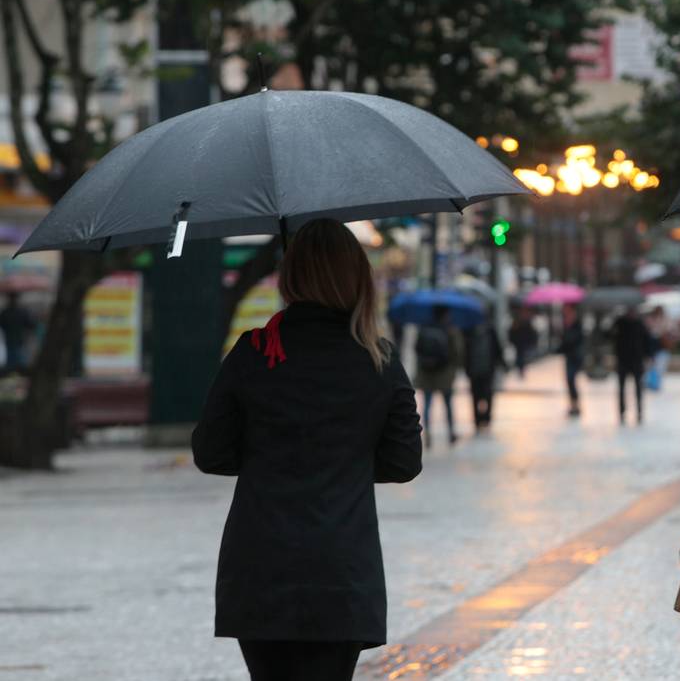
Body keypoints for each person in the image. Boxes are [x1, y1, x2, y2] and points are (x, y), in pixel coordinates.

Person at [191, 218, 422, 681]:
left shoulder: (254, 352)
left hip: (260, 568)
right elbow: (403, 461)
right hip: (342, 568)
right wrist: (347, 461)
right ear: (357, 278)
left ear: (289, 277)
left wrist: (268, 456)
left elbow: (211, 453)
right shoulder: (377, 359)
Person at [415, 307, 465, 446]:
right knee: (448, 405)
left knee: (427, 405)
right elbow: (458, 352)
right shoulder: (450, 330)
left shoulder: (424, 328)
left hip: (427, 374)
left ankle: (427, 435)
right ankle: (451, 433)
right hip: (445, 374)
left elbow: (417, 349)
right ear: (446, 314)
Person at [612, 306, 653, 423]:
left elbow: (647, 341)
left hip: (636, 360)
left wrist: (648, 356)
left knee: (638, 388)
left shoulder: (640, 324)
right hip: (623, 360)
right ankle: (622, 411)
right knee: (622, 388)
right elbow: (610, 336)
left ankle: (639, 412)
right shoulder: (620, 323)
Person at [465, 316, 505, 430]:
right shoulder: (490, 331)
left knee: (476, 396)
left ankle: (478, 419)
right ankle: (486, 418)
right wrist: (502, 363)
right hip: (488, 369)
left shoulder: (469, 331)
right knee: (488, 395)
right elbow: (497, 349)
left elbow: (466, 351)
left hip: (474, 370)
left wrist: (466, 368)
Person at [559, 304, 585, 417]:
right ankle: (573, 405)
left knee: (571, 379)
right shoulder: (566, 324)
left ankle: (575, 405)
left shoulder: (577, 324)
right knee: (570, 381)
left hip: (576, 357)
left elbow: (575, 340)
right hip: (569, 357)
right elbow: (564, 342)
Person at [0, 292, 36, 372]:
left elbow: (2, 325)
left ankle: (13, 372)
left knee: (13, 361)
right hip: (19, 340)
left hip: (12, 340)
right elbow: (31, 325)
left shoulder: (5, 312)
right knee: (20, 361)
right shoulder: (22, 311)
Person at [646, 307, 676, 392]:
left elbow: (672, 331)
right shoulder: (650, 320)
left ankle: (656, 384)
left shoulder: (666, 320)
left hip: (662, 345)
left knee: (660, 366)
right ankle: (652, 383)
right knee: (651, 365)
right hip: (652, 345)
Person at [508, 308, 537, 378]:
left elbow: (531, 332)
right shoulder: (517, 322)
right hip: (519, 343)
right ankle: (520, 369)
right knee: (520, 357)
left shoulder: (526, 321)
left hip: (524, 342)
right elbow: (512, 332)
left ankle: (521, 369)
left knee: (522, 357)